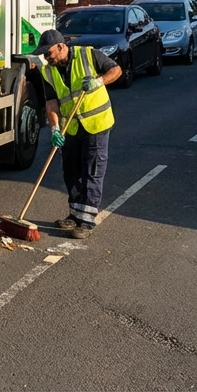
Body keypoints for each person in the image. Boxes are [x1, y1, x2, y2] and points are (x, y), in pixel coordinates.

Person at [33, 29, 121, 240]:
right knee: (71, 170)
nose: (47, 58)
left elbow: (116, 70)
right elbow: (52, 102)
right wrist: (54, 128)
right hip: (70, 127)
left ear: (61, 46)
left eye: (49, 53)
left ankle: (86, 221)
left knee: (92, 170)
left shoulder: (88, 55)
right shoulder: (48, 71)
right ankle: (75, 213)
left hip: (96, 124)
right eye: (44, 55)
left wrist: (98, 81)